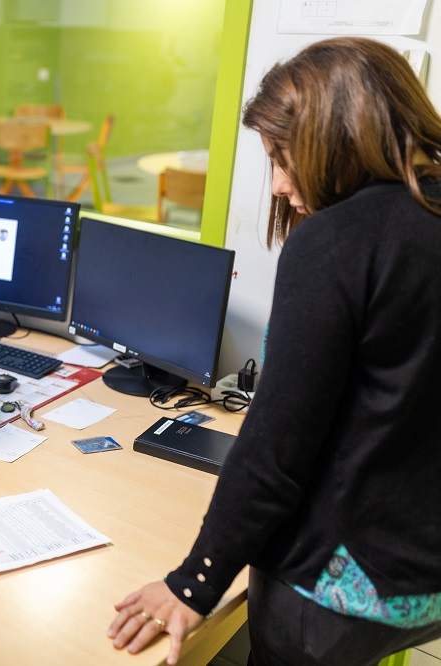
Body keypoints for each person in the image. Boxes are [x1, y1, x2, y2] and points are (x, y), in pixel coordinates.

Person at [108, 37, 441, 665]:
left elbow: (276, 447)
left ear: (337, 138)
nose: (282, 185)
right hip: (424, 575)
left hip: (345, 586)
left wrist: (194, 582)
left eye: (281, 158)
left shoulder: (338, 242)